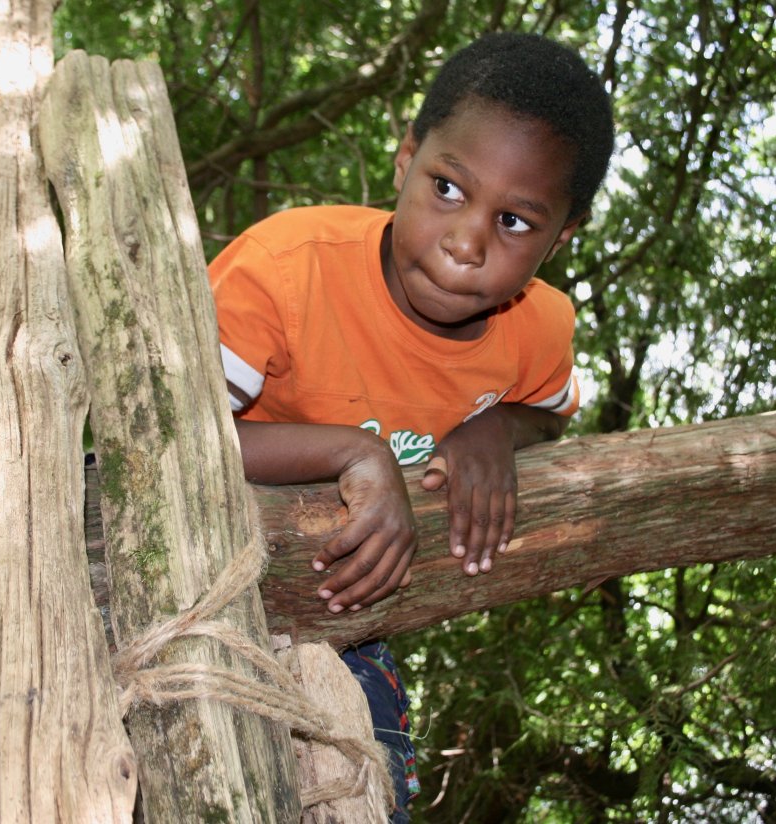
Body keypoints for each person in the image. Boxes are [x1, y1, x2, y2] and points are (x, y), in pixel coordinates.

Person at [208, 31, 614, 821]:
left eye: (517, 223)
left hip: (331, 620)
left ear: (562, 238)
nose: (466, 243)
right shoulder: (286, 269)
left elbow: (549, 409)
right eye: (449, 190)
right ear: (405, 160)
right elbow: (164, 442)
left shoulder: (540, 330)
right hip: (182, 555)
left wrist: (497, 426)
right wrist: (353, 453)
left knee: (365, 777)